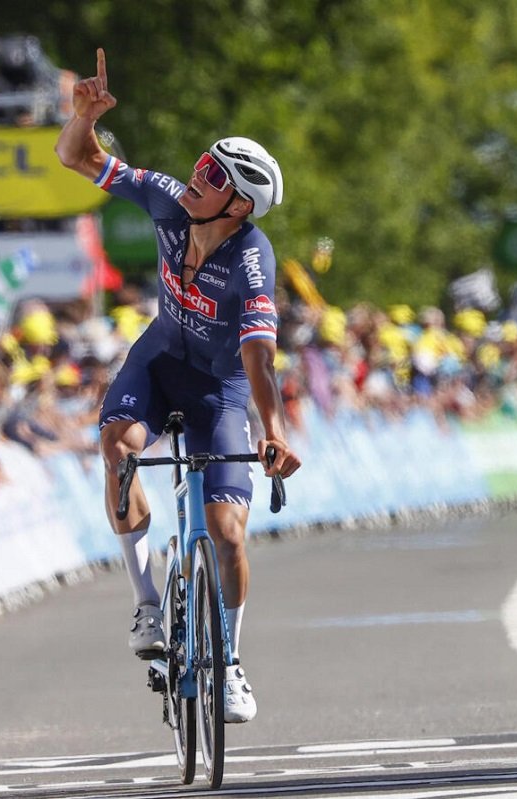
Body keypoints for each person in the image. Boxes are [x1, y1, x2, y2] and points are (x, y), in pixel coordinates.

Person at [56, 49, 301, 724]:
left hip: (221, 389)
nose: (195, 178)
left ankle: (230, 662)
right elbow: (79, 159)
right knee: (117, 448)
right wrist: (83, 117)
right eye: (200, 165)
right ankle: (145, 602)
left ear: (241, 202)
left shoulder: (252, 259)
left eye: (212, 176)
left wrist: (272, 430)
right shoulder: (166, 200)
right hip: (158, 361)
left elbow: (258, 352)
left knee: (227, 533)